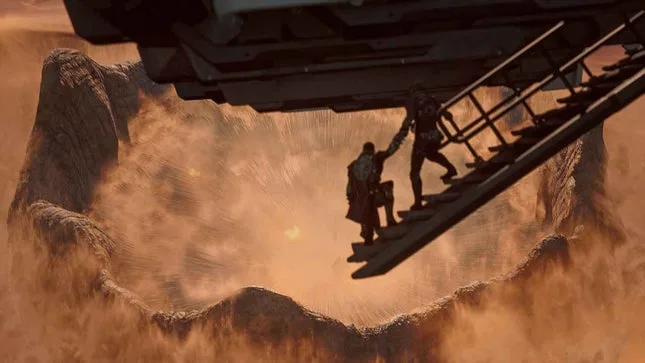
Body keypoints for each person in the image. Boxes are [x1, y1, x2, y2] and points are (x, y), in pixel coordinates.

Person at [345, 114, 412, 245]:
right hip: (371, 196)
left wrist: (352, 199)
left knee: (368, 211)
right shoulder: (376, 158)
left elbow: (349, 188)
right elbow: (391, 149)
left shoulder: (353, 166)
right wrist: (402, 133)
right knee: (388, 187)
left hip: (361, 201)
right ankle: (389, 219)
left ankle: (367, 233)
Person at [408, 89, 458, 210]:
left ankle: (418, 202)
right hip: (434, 136)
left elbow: (409, 122)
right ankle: (451, 168)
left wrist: (411, 126)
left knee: (414, 172)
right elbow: (447, 115)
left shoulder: (414, 103)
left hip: (422, 140)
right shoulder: (433, 100)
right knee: (431, 154)